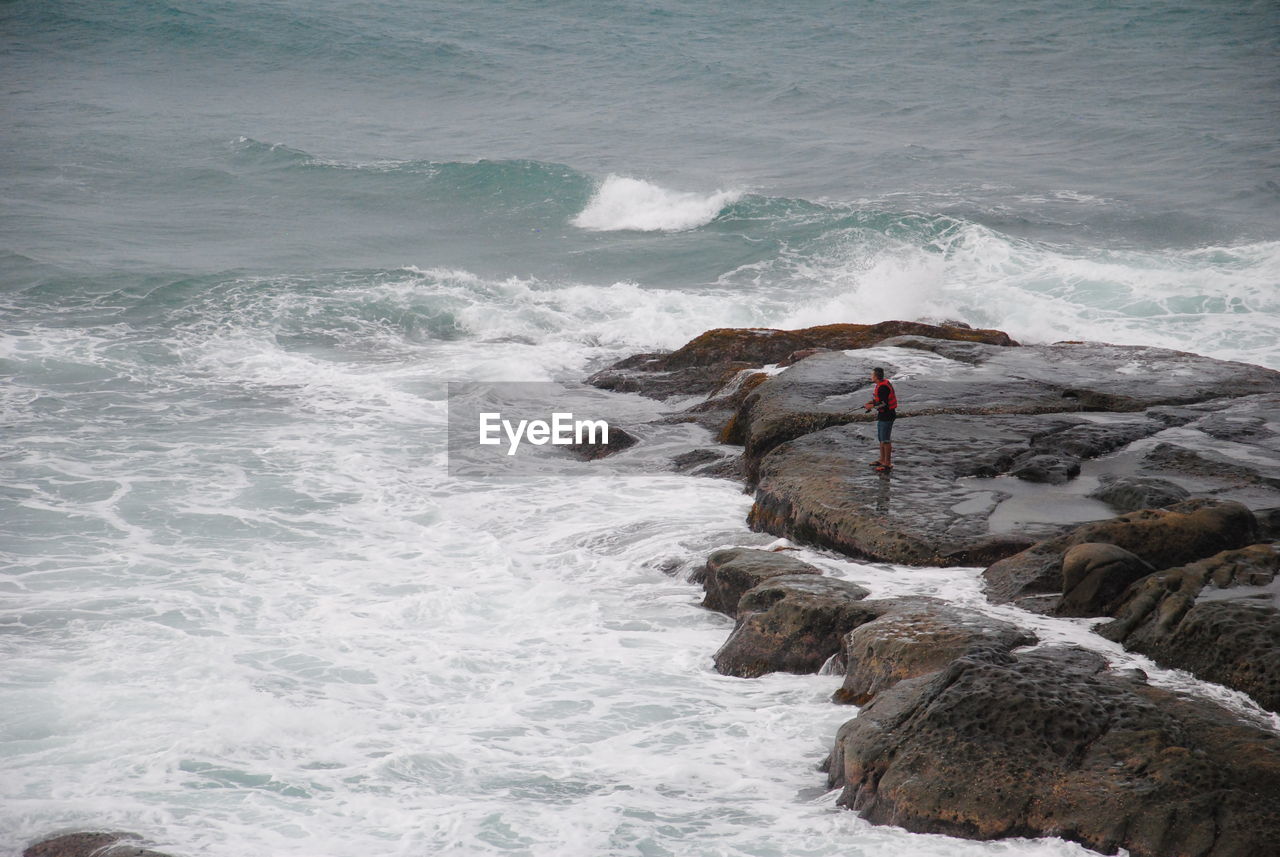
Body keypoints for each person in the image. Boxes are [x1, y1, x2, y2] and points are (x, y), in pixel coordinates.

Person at [863, 367, 896, 471]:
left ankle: (887, 464)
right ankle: (882, 460)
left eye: (872, 375)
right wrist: (871, 402)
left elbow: (884, 404)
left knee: (885, 440)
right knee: (881, 438)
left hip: (887, 415)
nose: (871, 377)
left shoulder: (882, 387)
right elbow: (879, 400)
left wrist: (871, 406)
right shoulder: (881, 384)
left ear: (876, 377)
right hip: (883, 415)